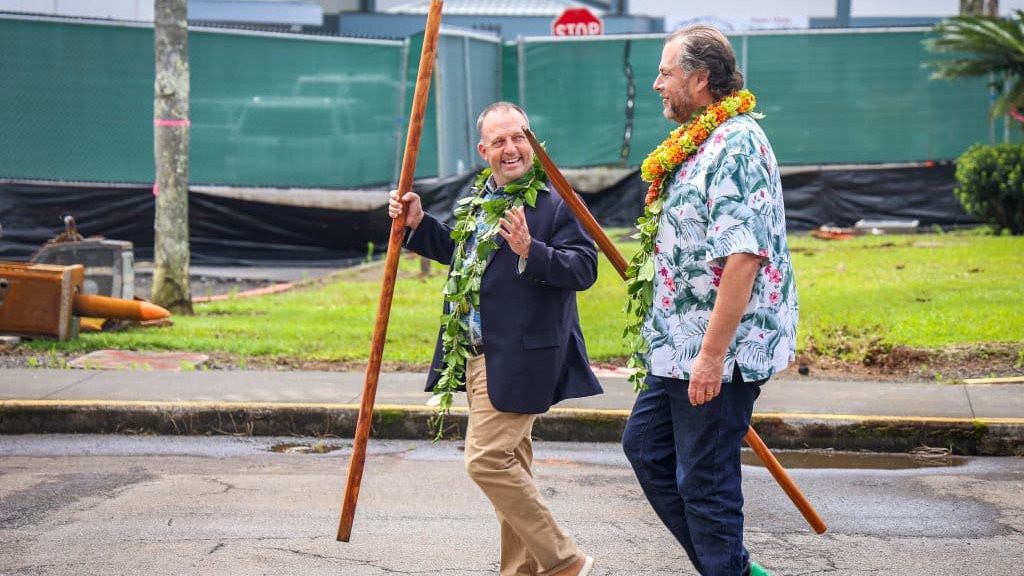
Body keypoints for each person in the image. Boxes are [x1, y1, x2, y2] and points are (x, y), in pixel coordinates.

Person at [388, 101, 600, 576]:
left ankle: (564, 560)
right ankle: (520, 571)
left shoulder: (556, 200)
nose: (511, 149)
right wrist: (419, 225)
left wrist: (532, 249)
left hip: (523, 356)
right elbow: (461, 257)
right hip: (476, 354)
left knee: (486, 461)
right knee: (511, 467)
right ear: (484, 150)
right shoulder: (479, 197)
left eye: (519, 137)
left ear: (534, 141)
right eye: (499, 141)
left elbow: (585, 267)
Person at [621, 26, 798, 576]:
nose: (656, 84)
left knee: (705, 482)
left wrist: (713, 357)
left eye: (666, 72)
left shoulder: (738, 143)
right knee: (647, 450)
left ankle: (730, 570)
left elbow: (744, 256)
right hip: (677, 346)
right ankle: (735, 569)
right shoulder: (701, 141)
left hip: (717, 352)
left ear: (700, 79)